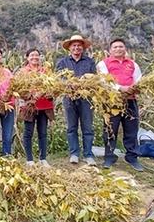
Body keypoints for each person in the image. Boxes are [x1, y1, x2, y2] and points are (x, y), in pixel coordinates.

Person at [96, 39, 144, 171]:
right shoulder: (103, 64)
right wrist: (120, 88)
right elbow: (103, 80)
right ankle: (109, 157)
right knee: (110, 129)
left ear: (125, 49)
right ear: (110, 50)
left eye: (121, 46)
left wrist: (133, 88)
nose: (118, 49)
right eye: (115, 47)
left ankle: (132, 157)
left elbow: (139, 80)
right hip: (112, 102)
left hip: (130, 100)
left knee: (131, 129)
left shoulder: (133, 64)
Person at [56, 35, 97, 166]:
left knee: (88, 128)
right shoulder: (62, 62)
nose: (76, 47)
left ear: (83, 47)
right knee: (71, 127)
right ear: (69, 48)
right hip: (69, 98)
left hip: (86, 99)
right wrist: (68, 83)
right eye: (74, 45)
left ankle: (88, 155)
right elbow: (58, 79)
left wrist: (86, 82)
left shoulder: (89, 62)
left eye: (79, 45)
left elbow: (95, 79)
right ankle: (74, 153)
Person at [19, 49, 54, 167]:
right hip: (29, 106)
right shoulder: (23, 72)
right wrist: (30, 96)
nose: (35, 57)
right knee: (28, 132)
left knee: (43, 132)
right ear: (27, 57)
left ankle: (43, 158)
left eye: (37, 55)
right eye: (32, 55)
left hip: (44, 106)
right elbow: (19, 89)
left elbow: (52, 86)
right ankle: (29, 159)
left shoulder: (45, 71)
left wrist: (47, 92)